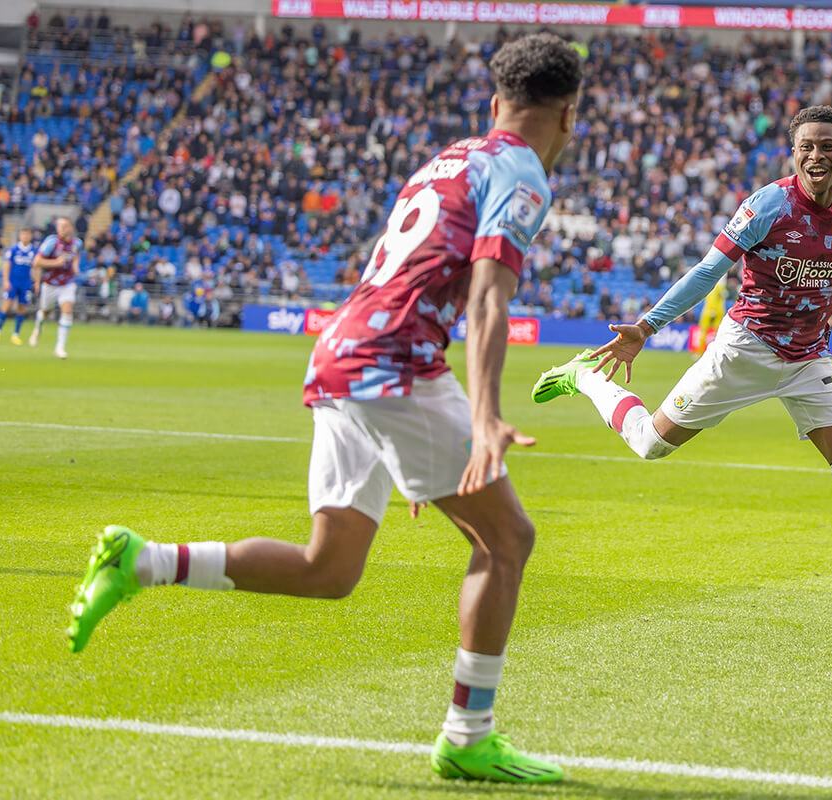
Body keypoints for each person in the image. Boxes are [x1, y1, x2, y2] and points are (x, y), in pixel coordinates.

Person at [68, 33, 583, 784]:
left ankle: (141, 560)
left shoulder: (449, 158)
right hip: (392, 363)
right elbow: (486, 293)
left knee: (329, 568)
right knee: (508, 540)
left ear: (493, 102)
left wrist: (417, 446)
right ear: (569, 115)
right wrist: (481, 417)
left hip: (343, 351)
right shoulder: (523, 172)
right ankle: (468, 736)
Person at [533, 105, 832, 639]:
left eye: (827, 145)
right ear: (793, 153)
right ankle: (586, 378)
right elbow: (709, 271)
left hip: (807, 358)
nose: (816, 154)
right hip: (745, 348)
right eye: (806, 145)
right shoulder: (768, 205)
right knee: (651, 445)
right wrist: (647, 326)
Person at [30, 217, 83, 359]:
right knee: (45, 312)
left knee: (67, 311)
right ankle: (38, 327)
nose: (62, 228)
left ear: (71, 227)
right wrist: (56, 262)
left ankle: (60, 347)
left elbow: (76, 255)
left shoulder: (77, 243)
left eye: (65, 225)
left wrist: (76, 266)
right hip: (50, 283)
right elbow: (37, 262)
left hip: (67, 283)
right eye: (59, 226)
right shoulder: (51, 242)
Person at [0, 227, 38, 344]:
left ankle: (15, 334)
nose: (25, 237)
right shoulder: (13, 249)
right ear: (20, 236)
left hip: (25, 283)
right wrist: (6, 280)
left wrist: (37, 282)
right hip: (13, 282)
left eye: (27, 235)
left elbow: (37, 268)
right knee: (6, 306)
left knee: (22, 308)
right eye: (23, 234)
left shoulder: (34, 251)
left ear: (30, 236)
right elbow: (7, 265)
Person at [693, 278, 728, 356]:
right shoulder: (719, 286)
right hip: (715, 310)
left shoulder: (713, 285)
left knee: (707, 331)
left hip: (711, 311)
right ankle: (713, 351)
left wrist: (713, 310)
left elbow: (713, 299)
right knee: (717, 332)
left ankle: (701, 352)